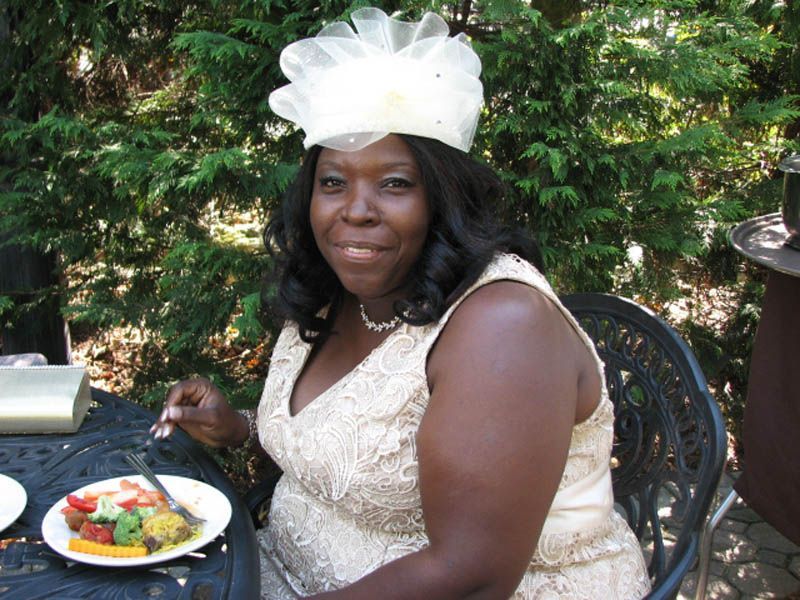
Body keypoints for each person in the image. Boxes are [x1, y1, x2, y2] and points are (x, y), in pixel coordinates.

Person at [151, 8, 651, 599]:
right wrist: (239, 428)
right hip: (277, 573)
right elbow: (344, 455)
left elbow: (472, 576)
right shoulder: (344, 289)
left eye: (395, 183)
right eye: (333, 181)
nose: (355, 210)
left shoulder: (503, 327)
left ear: (443, 197)